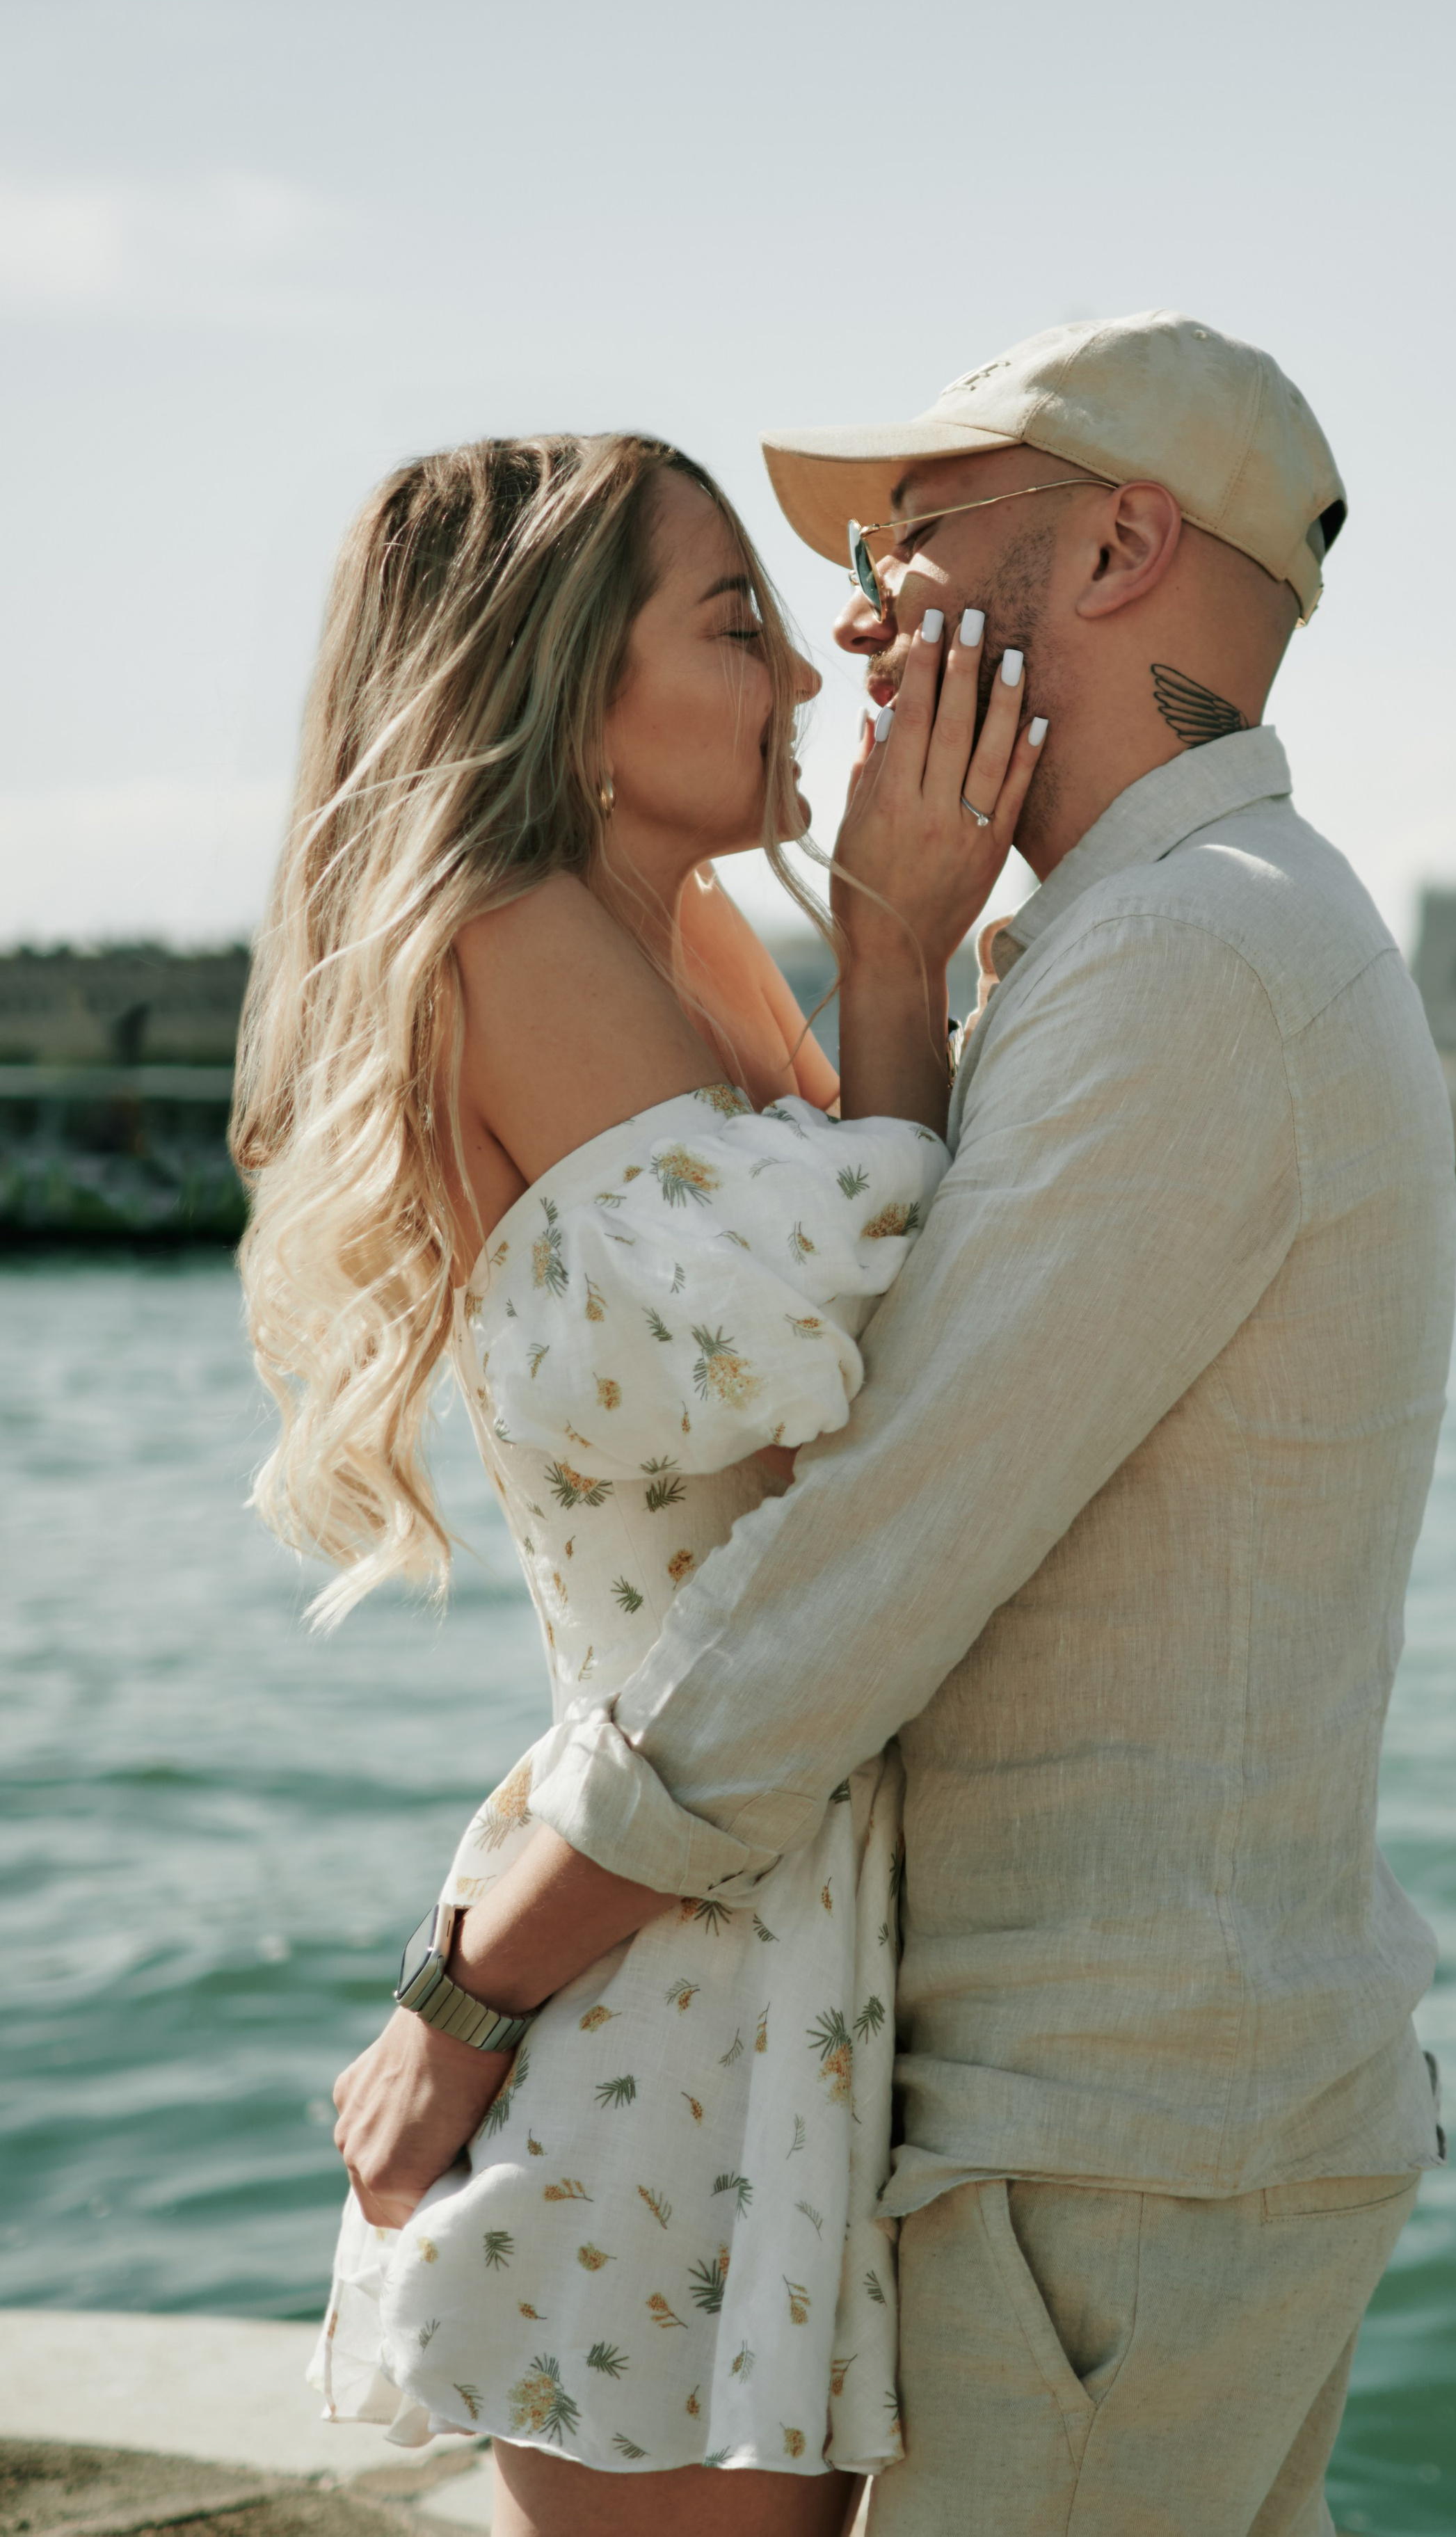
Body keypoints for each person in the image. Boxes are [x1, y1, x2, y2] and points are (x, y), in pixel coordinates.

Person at [311, 310, 1456, 2537]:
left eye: (918, 537)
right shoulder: (1142, 940)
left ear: (1124, 544)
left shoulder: (1180, 960)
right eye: (771, 592)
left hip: (1093, 2142)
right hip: (1040, 2117)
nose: (862, 615)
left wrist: (470, 1980)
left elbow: (853, 1565)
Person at [231, 430, 1044, 2537]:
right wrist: (891, 952)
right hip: (667, 1982)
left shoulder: (681, 947)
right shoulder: (518, 939)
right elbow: (865, 1432)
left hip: (745, 1935)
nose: (800, 663)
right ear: (564, 687)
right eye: (732, 620)